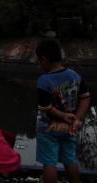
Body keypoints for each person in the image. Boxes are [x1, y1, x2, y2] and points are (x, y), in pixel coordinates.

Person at [35, 39, 91, 183]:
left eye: (39, 61)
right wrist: (77, 118)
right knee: (70, 160)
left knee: (49, 163)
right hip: (70, 127)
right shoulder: (74, 75)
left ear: (44, 59)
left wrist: (62, 115)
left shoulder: (44, 80)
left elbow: (45, 107)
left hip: (48, 129)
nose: (38, 64)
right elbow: (85, 97)